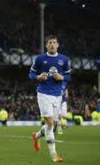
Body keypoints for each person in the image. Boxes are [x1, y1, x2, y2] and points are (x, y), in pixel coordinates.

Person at [30, 35, 71, 163]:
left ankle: (36, 136)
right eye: (50, 43)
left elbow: (69, 76)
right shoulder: (40, 59)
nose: (52, 45)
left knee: (50, 126)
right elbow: (30, 74)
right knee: (50, 124)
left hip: (57, 96)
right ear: (46, 45)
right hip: (43, 94)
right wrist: (38, 77)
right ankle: (54, 155)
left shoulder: (64, 59)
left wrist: (62, 78)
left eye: (54, 43)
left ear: (58, 45)